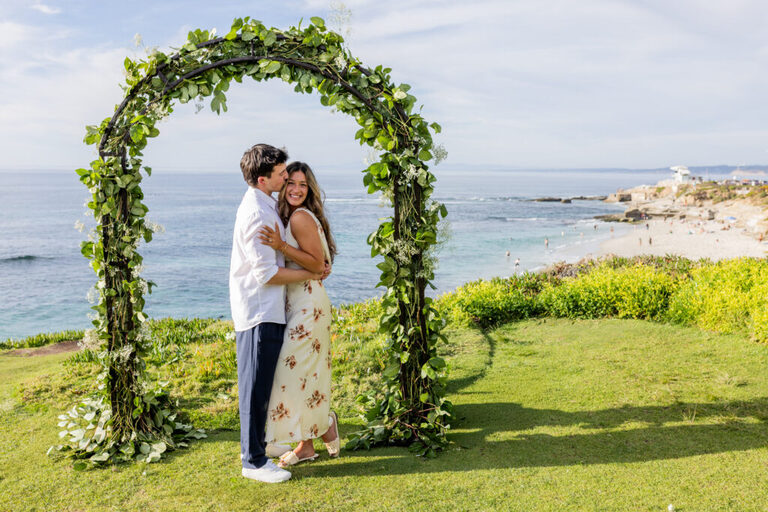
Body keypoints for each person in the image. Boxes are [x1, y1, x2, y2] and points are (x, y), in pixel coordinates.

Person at [230, 145, 324, 484]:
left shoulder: (267, 205)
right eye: (282, 174)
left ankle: (257, 448)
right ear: (262, 178)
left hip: (268, 309)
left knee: (262, 385)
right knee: (254, 388)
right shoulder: (258, 212)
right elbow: (266, 275)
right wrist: (311, 273)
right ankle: (253, 462)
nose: (287, 178)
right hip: (259, 310)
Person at [258, 161, 340, 468]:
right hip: (302, 305)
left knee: (292, 373)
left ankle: (314, 434)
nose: (295, 189)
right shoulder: (294, 216)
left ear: (309, 190)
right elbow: (320, 267)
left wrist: (280, 245)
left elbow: (317, 266)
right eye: (290, 182)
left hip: (308, 308)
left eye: (303, 185)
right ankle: (314, 435)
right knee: (304, 374)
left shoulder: (301, 217)